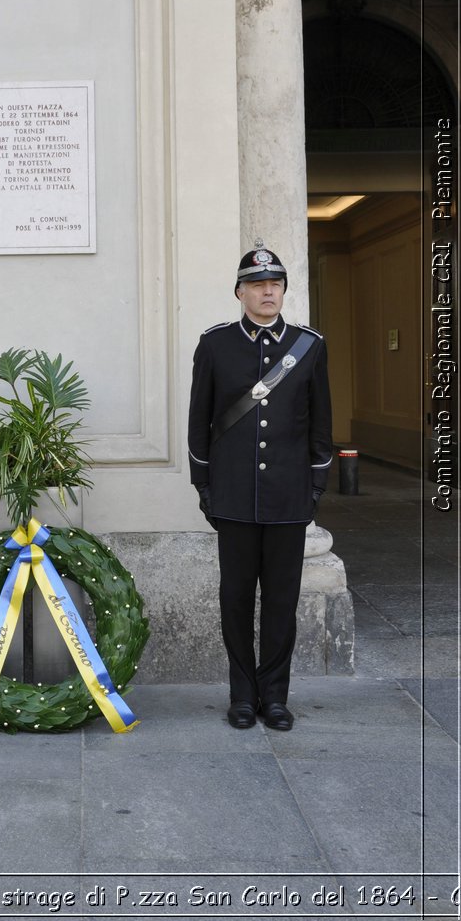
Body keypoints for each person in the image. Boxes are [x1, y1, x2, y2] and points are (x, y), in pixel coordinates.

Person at [188, 242, 332, 731]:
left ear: (284, 290)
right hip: (232, 496)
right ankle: (242, 695)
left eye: (275, 284)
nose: (267, 291)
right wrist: (204, 483)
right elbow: (199, 420)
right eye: (257, 284)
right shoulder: (215, 344)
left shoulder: (309, 346)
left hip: (289, 497)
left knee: (280, 604)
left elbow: (320, 423)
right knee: (235, 599)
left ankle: (275, 697)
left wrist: (315, 486)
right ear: (240, 292)